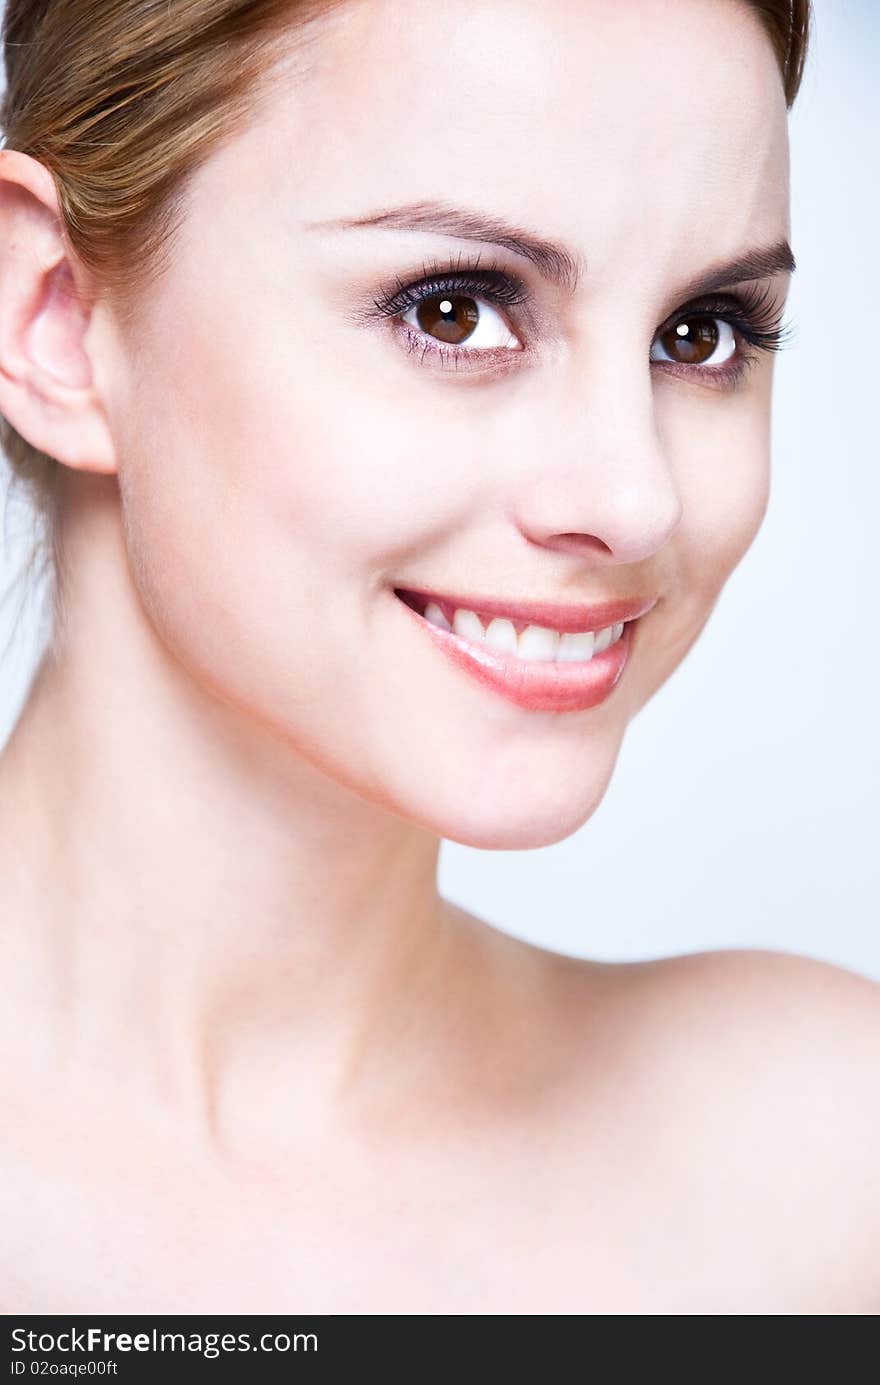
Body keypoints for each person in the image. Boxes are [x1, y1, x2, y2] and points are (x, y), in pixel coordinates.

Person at [0, 0, 876, 1315]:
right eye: (456, 310)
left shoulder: (822, 1164)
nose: (634, 498)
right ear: (56, 317)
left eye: (704, 333)